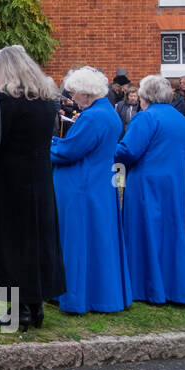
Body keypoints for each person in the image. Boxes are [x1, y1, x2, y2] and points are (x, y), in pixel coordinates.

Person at [0, 45, 64, 332]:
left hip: (8, 181)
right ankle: (35, 305)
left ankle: (21, 310)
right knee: (36, 241)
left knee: (12, 245)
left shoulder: (6, 101)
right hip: (39, 178)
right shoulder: (46, 100)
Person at [114, 75, 185, 305]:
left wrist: (108, 148)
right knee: (174, 236)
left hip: (147, 185)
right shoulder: (181, 119)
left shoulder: (146, 118)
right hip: (176, 185)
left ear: (146, 96)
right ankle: (177, 289)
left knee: (145, 234)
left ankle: (147, 287)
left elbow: (128, 152)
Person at [50, 66, 130, 314]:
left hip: (81, 186)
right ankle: (99, 293)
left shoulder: (93, 117)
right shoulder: (107, 113)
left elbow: (69, 151)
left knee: (77, 241)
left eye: (75, 93)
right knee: (98, 241)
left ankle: (74, 295)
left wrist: (47, 144)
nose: (73, 98)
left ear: (86, 93)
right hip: (96, 183)